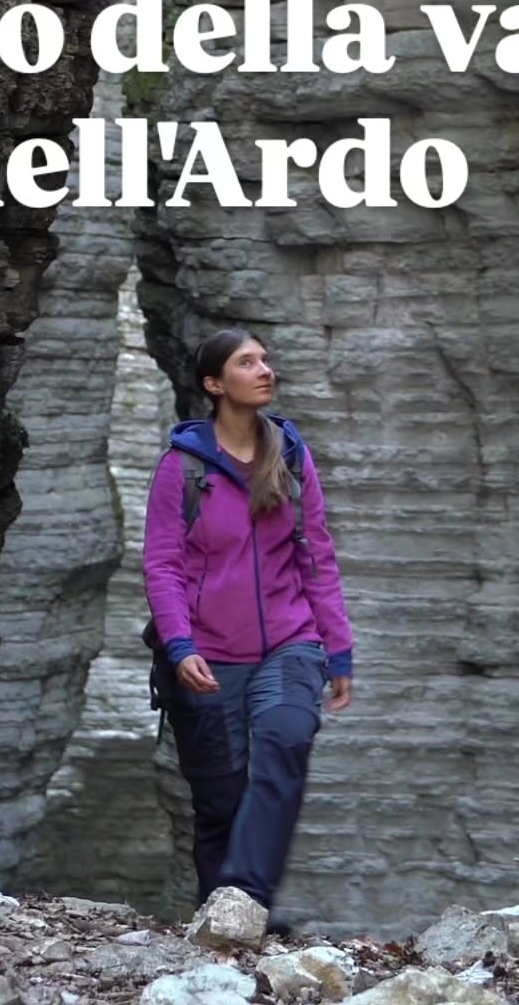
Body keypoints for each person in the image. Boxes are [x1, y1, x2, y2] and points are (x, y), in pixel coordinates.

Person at [142, 328, 355, 913]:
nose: (265, 370)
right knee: (219, 801)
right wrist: (180, 646)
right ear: (215, 384)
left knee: (287, 737)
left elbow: (316, 554)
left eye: (265, 360)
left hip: (290, 644)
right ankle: (221, 926)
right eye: (247, 363)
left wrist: (338, 649)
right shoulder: (181, 468)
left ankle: (246, 896)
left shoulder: (289, 454)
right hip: (206, 654)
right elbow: (162, 566)